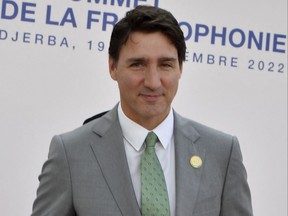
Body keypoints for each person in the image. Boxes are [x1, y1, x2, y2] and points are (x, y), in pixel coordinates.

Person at [32, 5, 253, 216]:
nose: (153, 82)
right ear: (113, 67)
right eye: (138, 64)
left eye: (165, 65)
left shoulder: (222, 153)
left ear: (180, 69)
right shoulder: (70, 154)